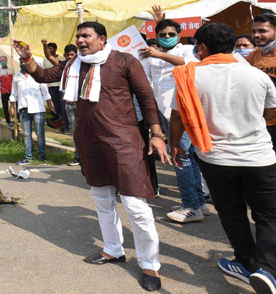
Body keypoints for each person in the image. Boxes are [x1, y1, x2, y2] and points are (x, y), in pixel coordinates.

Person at [14, 22, 170, 292]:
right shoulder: (74, 64)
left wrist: (157, 134)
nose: (81, 41)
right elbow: (42, 75)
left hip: (124, 141)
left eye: (86, 36)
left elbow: (146, 97)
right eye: (79, 37)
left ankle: (149, 264)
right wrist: (27, 57)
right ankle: (112, 249)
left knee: (135, 205)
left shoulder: (124, 61)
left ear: (102, 39)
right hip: (89, 141)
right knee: (101, 198)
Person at [169, 22, 276, 291]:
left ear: (202, 47)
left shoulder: (188, 76)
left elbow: (177, 115)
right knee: (269, 216)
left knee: (231, 213)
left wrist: (174, 145)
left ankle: (246, 262)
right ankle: (267, 268)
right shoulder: (258, 76)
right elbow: (271, 115)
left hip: (214, 158)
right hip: (259, 158)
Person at [140, 17, 205, 223]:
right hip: (163, 110)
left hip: (181, 109)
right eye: (162, 35)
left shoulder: (186, 50)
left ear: (179, 35)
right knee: (187, 156)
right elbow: (147, 83)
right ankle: (198, 201)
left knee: (182, 157)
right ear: (156, 36)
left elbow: (190, 64)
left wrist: (159, 53)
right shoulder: (150, 57)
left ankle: (191, 205)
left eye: (171, 34)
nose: (167, 37)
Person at [10, 63, 54, 165]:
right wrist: (11, 108)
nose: (23, 64)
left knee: (40, 133)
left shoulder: (38, 75)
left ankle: (42, 156)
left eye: (25, 62)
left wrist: (51, 107)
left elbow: (45, 93)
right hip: (23, 109)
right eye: (21, 62)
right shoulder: (16, 77)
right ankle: (28, 157)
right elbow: (14, 93)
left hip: (37, 108)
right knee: (26, 134)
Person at [248, 14, 276, 150]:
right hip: (261, 122)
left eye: (262, 31)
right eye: (254, 31)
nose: (256, 35)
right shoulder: (253, 55)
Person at [61, 44, 81, 166]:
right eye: (67, 55)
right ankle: (78, 157)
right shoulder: (65, 67)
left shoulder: (82, 65)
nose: (70, 57)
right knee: (75, 131)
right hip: (69, 104)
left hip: (81, 105)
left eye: (72, 55)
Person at [42, 40, 68, 131]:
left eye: (51, 49)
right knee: (57, 107)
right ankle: (60, 125)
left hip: (61, 86)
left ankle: (66, 126)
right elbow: (45, 74)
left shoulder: (62, 59)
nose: (49, 50)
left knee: (64, 107)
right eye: (48, 49)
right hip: (51, 87)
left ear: (55, 49)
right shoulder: (45, 61)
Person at [0, 56, 14, 126]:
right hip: (3, 92)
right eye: (1, 61)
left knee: (15, 105)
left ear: (6, 61)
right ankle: (8, 121)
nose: (2, 62)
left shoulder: (11, 70)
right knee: (5, 107)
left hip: (12, 91)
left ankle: (18, 119)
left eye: (3, 61)